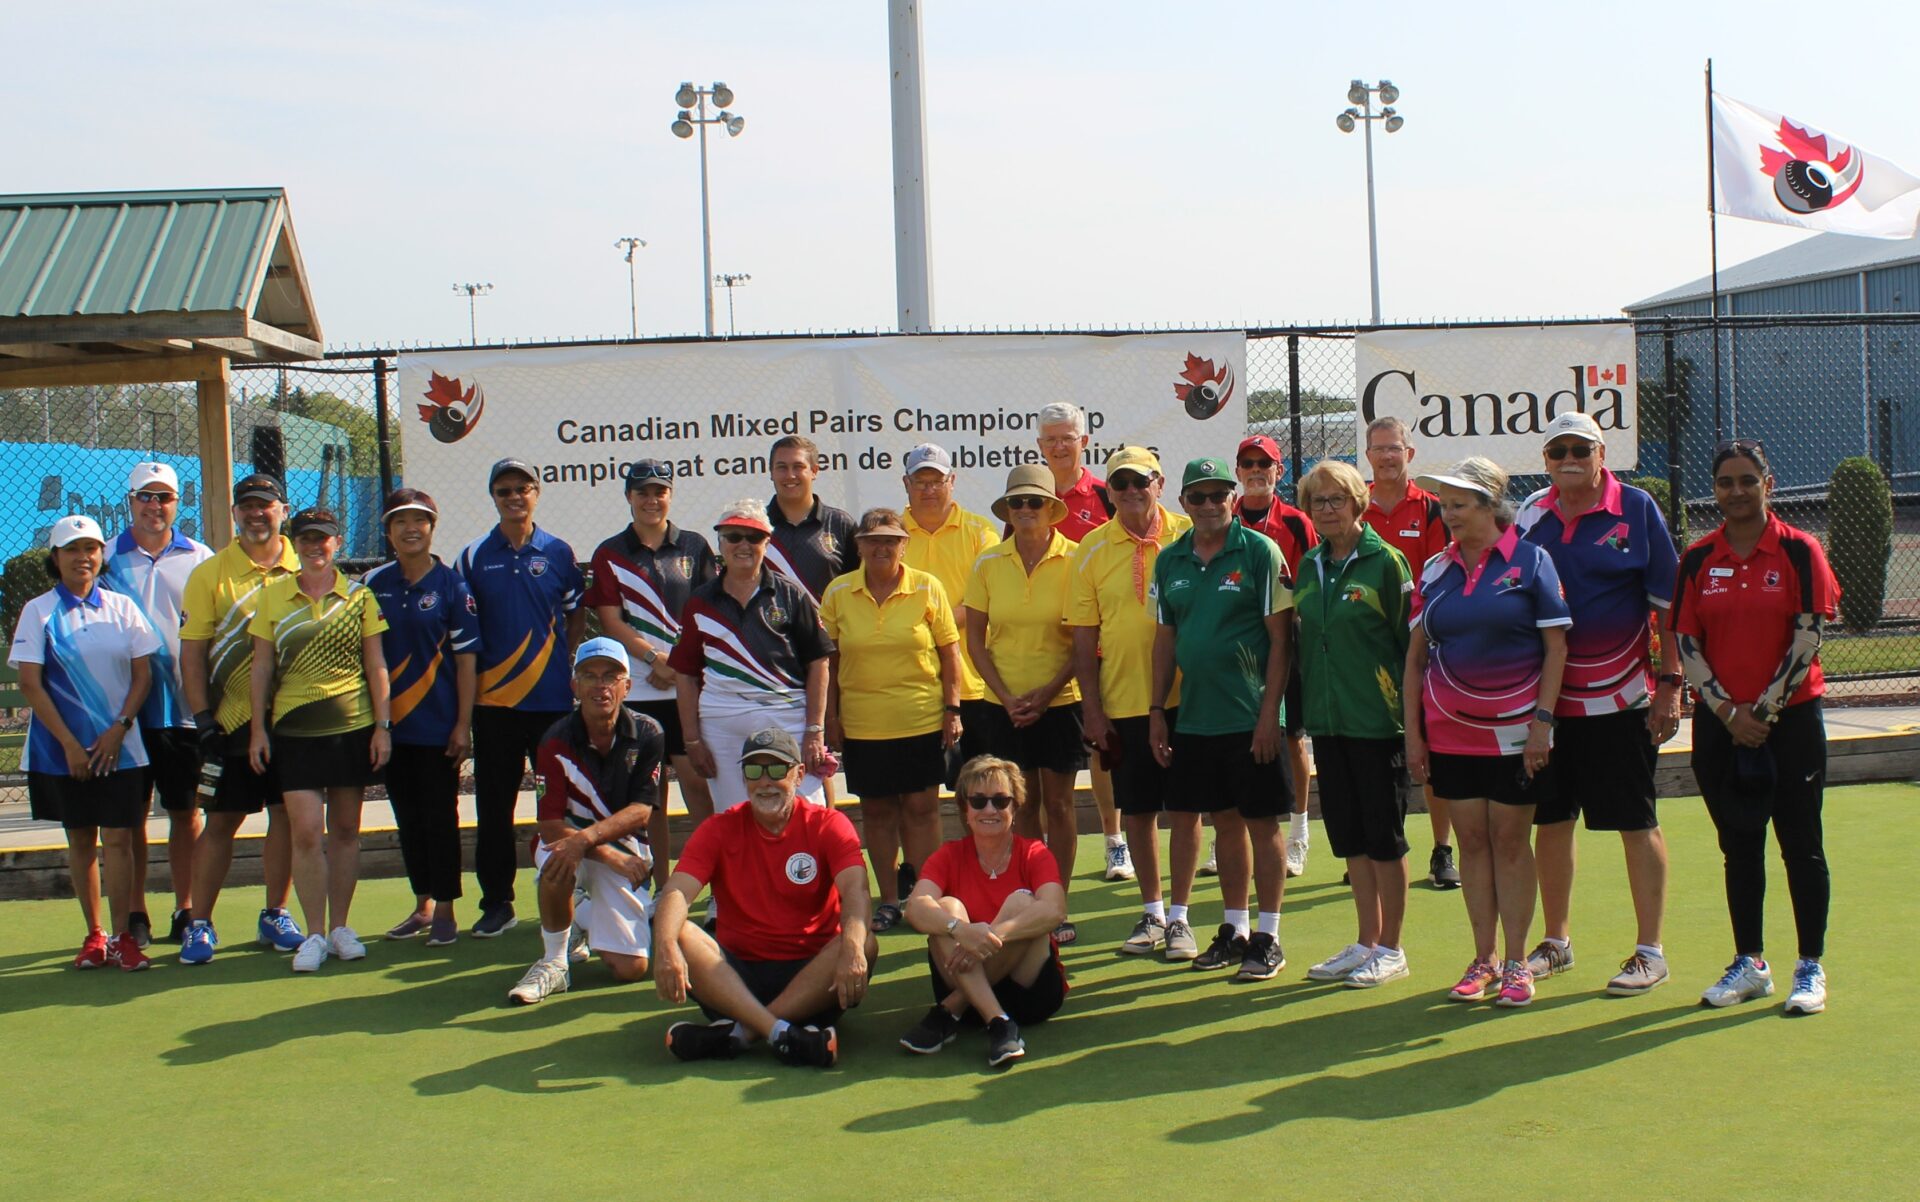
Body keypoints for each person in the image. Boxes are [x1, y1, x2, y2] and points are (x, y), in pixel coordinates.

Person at [1671, 439, 1840, 1016]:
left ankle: (1810, 966)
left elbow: (1809, 634)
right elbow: (1687, 642)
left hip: (1788, 724)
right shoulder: (1698, 559)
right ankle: (1750, 963)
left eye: (1748, 480)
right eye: (1725, 482)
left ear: (1768, 484)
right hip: (1723, 728)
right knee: (1739, 847)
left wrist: (1762, 712)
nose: (1736, 492)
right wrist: (1726, 712)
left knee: (1802, 846)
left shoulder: (1799, 551)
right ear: (1714, 490)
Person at [1516, 412, 1682, 996]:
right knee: (1552, 821)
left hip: (1623, 700)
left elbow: (1669, 604)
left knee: (1636, 821)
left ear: (1601, 452)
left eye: (1580, 449)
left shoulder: (1636, 508)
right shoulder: (1531, 513)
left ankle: (1649, 951)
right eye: (1557, 449)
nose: (1569, 459)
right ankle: (1557, 942)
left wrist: (1671, 682)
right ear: (1545, 460)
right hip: (1547, 704)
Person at [1404, 458, 1570, 1009]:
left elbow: (1555, 648)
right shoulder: (1433, 570)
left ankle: (1519, 961)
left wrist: (1543, 724)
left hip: (1517, 734)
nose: (1448, 513)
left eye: (1460, 503)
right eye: (1444, 504)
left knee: (1509, 842)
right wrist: (1415, 735)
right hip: (1450, 734)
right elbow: (1415, 660)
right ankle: (1484, 958)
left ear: (1490, 506)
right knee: (1471, 843)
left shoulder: (1532, 561)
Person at [1148, 457, 1295, 981]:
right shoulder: (1170, 562)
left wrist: (1267, 717)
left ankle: (1270, 935)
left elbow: (1282, 640)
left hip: (1249, 718)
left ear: (1232, 498)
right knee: (1224, 823)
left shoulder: (1259, 552)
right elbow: (1165, 642)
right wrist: (1157, 712)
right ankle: (1234, 929)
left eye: (1218, 495)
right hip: (1195, 720)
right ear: (1183, 503)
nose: (1209, 505)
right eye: (1198, 497)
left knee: (1262, 824)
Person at [653, 728, 875, 1069]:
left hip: (813, 976)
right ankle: (783, 1034)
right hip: (735, 978)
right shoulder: (718, 828)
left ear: (799, 774)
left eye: (776, 769)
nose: (765, 781)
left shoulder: (829, 824)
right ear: (744, 777)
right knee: (677, 933)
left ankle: (742, 1033)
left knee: (866, 942)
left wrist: (854, 948)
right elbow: (677, 891)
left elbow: (856, 891)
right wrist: (665, 945)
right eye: (754, 771)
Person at [10, 515, 160, 971]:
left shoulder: (123, 608)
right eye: (73, 549)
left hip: (123, 748)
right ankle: (94, 936)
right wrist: (71, 745)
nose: (84, 557)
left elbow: (143, 675)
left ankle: (121, 939)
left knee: (119, 838)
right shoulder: (38, 611)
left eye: (91, 548)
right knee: (80, 840)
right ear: (55, 559)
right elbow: (31, 684)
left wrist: (119, 728)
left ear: (100, 555)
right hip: (62, 753)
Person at [248, 508, 392, 973]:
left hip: (352, 729)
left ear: (336, 543)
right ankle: (313, 933)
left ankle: (341, 928)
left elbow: (375, 667)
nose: (314, 546)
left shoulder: (359, 597)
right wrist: (257, 729)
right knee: (307, 832)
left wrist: (382, 727)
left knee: (346, 831)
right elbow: (262, 668)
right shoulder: (272, 597)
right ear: (296, 543)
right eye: (306, 539)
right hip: (294, 734)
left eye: (323, 539)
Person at [1292, 461, 1417, 988]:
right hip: (1328, 723)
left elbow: (1411, 648)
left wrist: (1413, 723)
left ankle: (1392, 948)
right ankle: (1366, 941)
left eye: (1336, 499)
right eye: (1317, 501)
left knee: (1385, 839)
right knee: (1352, 841)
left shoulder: (1386, 562)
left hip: (1379, 723)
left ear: (1356, 501)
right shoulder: (1309, 564)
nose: (1326, 509)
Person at [1068, 447, 1193, 959]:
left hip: (1190, 698)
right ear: (1109, 492)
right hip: (1123, 702)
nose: (1132, 492)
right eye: (1120, 484)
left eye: (1140, 482)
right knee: (1138, 811)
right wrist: (1092, 709)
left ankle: (1182, 919)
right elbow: (1082, 637)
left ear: (1159, 483)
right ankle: (1153, 913)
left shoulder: (1189, 533)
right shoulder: (1091, 549)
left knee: (1186, 809)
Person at [177, 473, 305, 964]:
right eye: (247, 506)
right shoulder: (210, 573)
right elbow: (192, 655)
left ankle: (275, 913)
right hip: (230, 722)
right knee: (223, 819)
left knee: (287, 816)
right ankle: (200, 922)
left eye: (266, 506)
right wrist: (203, 719)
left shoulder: (303, 564)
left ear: (283, 511)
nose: (257, 514)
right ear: (234, 514)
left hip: (294, 720)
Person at [456, 457, 586, 938]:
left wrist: (564, 660)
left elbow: (576, 613)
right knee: (493, 808)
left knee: (560, 808)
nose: (514, 496)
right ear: (493, 496)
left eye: (523, 488)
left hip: (551, 703)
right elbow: (463, 631)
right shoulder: (472, 556)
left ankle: (574, 901)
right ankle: (497, 903)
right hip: (492, 707)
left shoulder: (558, 552)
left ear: (537, 493)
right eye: (504, 489)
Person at [820, 508, 963, 933]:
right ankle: (887, 900)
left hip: (920, 716)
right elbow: (830, 660)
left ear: (904, 545)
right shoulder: (839, 592)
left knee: (922, 809)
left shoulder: (927, 586)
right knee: (878, 812)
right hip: (864, 724)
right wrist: (831, 716)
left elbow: (949, 653)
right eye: (873, 540)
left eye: (890, 540)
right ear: (859, 546)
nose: (882, 547)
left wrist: (953, 710)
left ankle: (925, 897)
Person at [506, 637, 666, 1005]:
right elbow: (549, 825)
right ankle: (554, 962)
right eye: (589, 675)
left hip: (620, 846)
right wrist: (597, 851)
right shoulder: (554, 739)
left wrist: (589, 841)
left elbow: (643, 810)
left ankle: (579, 914)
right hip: (572, 845)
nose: (601, 685)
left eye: (611, 676)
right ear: (574, 685)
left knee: (630, 969)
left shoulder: (649, 733)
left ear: (627, 685)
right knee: (560, 860)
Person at [965, 465, 1087, 943]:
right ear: (1008, 511)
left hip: (1061, 703)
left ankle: (1058, 906)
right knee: (1023, 805)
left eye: (1034, 502)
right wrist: (1007, 696)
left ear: (1051, 509)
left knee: (1059, 805)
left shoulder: (1077, 560)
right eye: (1017, 503)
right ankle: (1031, 903)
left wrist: (1049, 692)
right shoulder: (989, 563)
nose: (1025, 511)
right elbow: (976, 641)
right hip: (1004, 706)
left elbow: (1083, 639)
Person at [584, 459, 718, 889]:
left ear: (670, 495)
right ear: (628, 497)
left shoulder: (696, 547)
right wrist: (653, 660)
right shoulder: (610, 553)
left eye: (659, 491)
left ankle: (720, 886)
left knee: (699, 785)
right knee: (649, 799)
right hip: (638, 690)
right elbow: (611, 620)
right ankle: (659, 886)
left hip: (688, 689)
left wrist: (677, 666)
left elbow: (708, 613)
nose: (651, 499)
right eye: (642, 492)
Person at [102, 462, 213, 946]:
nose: (154, 506)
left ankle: (185, 910)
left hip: (183, 711)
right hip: (124, 714)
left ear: (176, 503)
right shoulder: (103, 559)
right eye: (145, 497)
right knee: (128, 818)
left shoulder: (200, 558)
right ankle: (135, 914)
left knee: (185, 813)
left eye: (163, 497)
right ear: (130, 502)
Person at [898, 755, 1069, 1067]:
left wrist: (989, 936)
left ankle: (949, 1010)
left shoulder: (1033, 853)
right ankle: (999, 1023)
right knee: (946, 909)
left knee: (1022, 903)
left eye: (1000, 800)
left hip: (1029, 993)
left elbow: (1055, 910)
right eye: (978, 801)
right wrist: (960, 929)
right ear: (966, 809)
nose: (989, 809)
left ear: (1015, 808)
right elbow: (916, 908)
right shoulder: (948, 855)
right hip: (964, 981)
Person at [364, 489, 478, 946]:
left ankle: (448, 908)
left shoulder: (452, 586)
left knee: (439, 817)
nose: (411, 529)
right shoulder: (374, 585)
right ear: (389, 532)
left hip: (438, 728)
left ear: (433, 527)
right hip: (392, 731)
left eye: (420, 521)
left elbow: (467, 661)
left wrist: (462, 724)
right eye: (400, 522)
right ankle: (423, 906)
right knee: (407, 819)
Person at [671, 499, 833, 811]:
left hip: (787, 717)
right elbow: (686, 674)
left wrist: (815, 730)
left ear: (767, 543)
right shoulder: (700, 601)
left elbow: (819, 662)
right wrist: (692, 740)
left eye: (754, 537)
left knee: (804, 812)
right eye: (734, 537)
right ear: (720, 542)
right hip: (722, 724)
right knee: (734, 817)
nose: (743, 545)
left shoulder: (791, 595)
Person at [1034, 402, 1130, 878]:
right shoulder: (1029, 498)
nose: (1058, 446)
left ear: (1084, 442)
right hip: (1048, 651)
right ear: (1039, 446)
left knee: (1105, 746)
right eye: (1049, 439)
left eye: (1066, 437)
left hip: (1103, 642)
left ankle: (1116, 840)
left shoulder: (1105, 494)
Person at [1362, 416, 1458, 889]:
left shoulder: (1435, 510)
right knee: (1376, 754)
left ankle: (1442, 850)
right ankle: (1380, 845)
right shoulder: (1354, 506)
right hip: (1369, 653)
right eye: (1378, 449)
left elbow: (1440, 578)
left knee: (1432, 752)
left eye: (1393, 448)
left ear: (1410, 454)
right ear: (1368, 455)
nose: (1386, 456)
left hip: (1424, 649)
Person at [1230, 434, 1318, 878]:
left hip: (1287, 638)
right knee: (1234, 736)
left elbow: (1311, 581)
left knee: (1291, 735)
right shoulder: (1223, 517)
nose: (1255, 470)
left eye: (1264, 463)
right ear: (1238, 470)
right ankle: (1229, 833)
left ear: (1279, 471)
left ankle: (1299, 833)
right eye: (1247, 463)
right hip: (1238, 643)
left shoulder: (1298, 522)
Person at [900, 442, 999, 794]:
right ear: (906, 484)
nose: (928, 489)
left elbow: (988, 599)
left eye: (937, 481)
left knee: (985, 793)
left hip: (976, 686)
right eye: (920, 481)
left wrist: (933, 626)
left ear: (952, 481)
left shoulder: (980, 531)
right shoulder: (891, 535)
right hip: (916, 688)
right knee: (920, 797)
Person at [765, 435, 858, 604]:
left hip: (827, 629)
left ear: (814, 471)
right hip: (769, 629)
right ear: (771, 472)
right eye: (782, 467)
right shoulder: (756, 526)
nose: (790, 475)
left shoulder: (841, 524)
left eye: (798, 467)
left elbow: (859, 586)